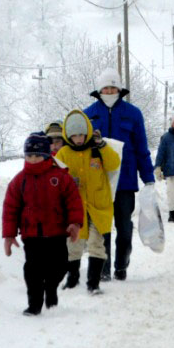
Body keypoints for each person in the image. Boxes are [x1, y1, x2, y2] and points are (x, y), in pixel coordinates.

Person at [84, 68, 155, 281]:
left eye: (113, 86)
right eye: (106, 87)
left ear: (119, 89)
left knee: (124, 229)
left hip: (125, 182)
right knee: (101, 228)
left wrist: (148, 178)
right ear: (99, 90)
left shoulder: (133, 113)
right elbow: (80, 149)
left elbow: (142, 148)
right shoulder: (88, 114)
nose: (109, 90)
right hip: (99, 182)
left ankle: (121, 265)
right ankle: (103, 268)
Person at [2, 132, 83, 316]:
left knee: (61, 266)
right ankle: (34, 305)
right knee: (33, 271)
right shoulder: (19, 181)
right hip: (32, 236)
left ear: (47, 155)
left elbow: (73, 201)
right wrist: (9, 235)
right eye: (29, 155)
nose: (33, 159)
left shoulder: (60, 177)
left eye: (38, 155)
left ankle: (51, 287)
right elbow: (10, 208)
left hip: (56, 233)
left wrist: (75, 224)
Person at [55, 110, 121, 294]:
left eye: (81, 134)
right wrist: (67, 181)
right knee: (73, 245)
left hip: (98, 206)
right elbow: (55, 177)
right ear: (68, 135)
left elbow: (114, 164)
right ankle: (72, 279)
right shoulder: (63, 153)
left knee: (96, 244)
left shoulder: (97, 148)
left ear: (88, 132)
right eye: (74, 135)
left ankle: (94, 283)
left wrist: (102, 146)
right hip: (74, 209)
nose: (78, 139)